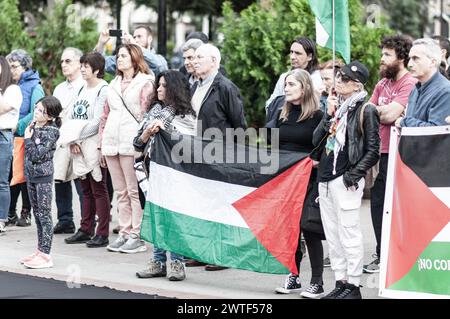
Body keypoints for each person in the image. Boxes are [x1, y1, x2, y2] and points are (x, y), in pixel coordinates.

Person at [312, 61, 380, 299]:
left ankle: (353, 285)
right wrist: (327, 116)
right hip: (326, 179)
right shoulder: (337, 110)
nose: (338, 82)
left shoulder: (367, 110)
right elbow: (316, 141)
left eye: (344, 79)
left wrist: (353, 175)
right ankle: (340, 282)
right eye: (338, 77)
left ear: (357, 85)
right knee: (332, 234)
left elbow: (373, 150)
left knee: (349, 233)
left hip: (346, 179)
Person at [184, 43, 246, 271]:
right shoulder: (195, 87)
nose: (195, 60)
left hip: (220, 155)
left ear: (214, 61)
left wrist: (234, 157)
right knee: (201, 204)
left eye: (200, 57)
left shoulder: (225, 87)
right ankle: (202, 251)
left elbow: (240, 124)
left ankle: (222, 254)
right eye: (194, 56)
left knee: (221, 205)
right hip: (196, 153)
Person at [269, 69, 325, 298]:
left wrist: (315, 161)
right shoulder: (282, 112)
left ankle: (317, 282)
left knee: (308, 227)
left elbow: (323, 146)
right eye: (286, 84)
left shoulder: (319, 116)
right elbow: (272, 143)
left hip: (308, 179)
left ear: (304, 87)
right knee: (289, 230)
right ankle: (293, 276)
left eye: (291, 84)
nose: (286, 88)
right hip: (285, 180)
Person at [135, 70, 196, 281]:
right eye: (158, 85)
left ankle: (177, 263)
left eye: (163, 86)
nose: (158, 89)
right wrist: (148, 132)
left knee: (173, 218)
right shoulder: (154, 111)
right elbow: (137, 142)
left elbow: (189, 145)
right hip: (153, 170)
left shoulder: (186, 116)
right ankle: (158, 261)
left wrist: (166, 131)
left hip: (176, 173)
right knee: (156, 216)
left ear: (174, 89)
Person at [364, 35, 417, 274]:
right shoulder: (382, 84)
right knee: (377, 203)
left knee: (393, 206)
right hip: (378, 151)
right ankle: (381, 252)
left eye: (387, 55)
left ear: (401, 58)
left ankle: (394, 256)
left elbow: (387, 116)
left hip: (399, 154)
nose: (381, 59)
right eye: (382, 54)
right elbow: (367, 114)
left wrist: (376, 112)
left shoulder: (408, 83)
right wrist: (378, 112)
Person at [99, 44, 155, 254]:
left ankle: (137, 234)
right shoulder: (112, 84)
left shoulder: (145, 83)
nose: (119, 59)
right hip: (111, 142)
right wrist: (101, 143)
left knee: (133, 191)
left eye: (123, 55)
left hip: (132, 143)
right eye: (118, 55)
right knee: (120, 192)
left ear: (134, 58)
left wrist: (143, 143)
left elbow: (146, 114)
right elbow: (104, 116)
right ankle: (124, 231)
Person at [63, 52, 110, 248]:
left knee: (99, 188)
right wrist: (72, 139)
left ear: (97, 70)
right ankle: (85, 228)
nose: (82, 69)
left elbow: (98, 120)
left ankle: (102, 233)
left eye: (86, 66)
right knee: (85, 189)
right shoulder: (81, 88)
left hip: (93, 145)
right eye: (81, 65)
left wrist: (77, 136)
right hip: (78, 145)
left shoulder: (103, 89)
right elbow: (73, 115)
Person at [20, 96, 62, 269]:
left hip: (43, 177)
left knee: (44, 215)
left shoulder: (51, 131)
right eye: (36, 108)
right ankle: (39, 250)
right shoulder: (34, 126)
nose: (36, 112)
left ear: (50, 116)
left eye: (40, 110)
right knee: (37, 214)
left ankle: (46, 254)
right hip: (31, 176)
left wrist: (28, 139)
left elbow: (38, 155)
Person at [6, 49, 45, 227]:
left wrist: (18, 125)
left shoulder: (35, 86)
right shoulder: (11, 85)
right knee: (10, 175)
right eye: (9, 66)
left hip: (25, 136)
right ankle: (10, 211)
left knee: (24, 177)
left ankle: (25, 212)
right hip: (11, 136)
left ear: (25, 66)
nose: (11, 70)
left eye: (14, 66)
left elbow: (36, 112)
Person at [52, 47, 84, 234]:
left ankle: (88, 223)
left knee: (82, 183)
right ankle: (65, 219)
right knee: (60, 180)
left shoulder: (86, 85)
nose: (64, 65)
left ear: (79, 63)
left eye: (68, 61)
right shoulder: (60, 88)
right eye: (62, 61)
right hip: (62, 141)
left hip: (80, 141)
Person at [395, 38, 450, 128]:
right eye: (410, 58)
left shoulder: (445, 91)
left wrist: (404, 122)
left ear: (432, 62)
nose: (409, 64)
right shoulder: (415, 88)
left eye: (415, 58)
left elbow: (436, 131)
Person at [266, 37, 322, 115]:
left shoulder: (318, 79)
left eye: (297, 53)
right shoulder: (284, 77)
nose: (292, 57)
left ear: (309, 56)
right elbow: (270, 104)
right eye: (291, 52)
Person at [0, 57, 23, 234]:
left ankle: (1, 219)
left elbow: (2, 108)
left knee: (2, 181)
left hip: (3, 135)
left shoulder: (13, 89)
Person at [96, 26, 168, 77]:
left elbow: (159, 66)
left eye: (139, 36)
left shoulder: (159, 59)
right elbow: (99, 63)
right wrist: (101, 43)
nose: (136, 40)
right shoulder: (124, 59)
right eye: (134, 37)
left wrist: (135, 45)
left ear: (149, 39)